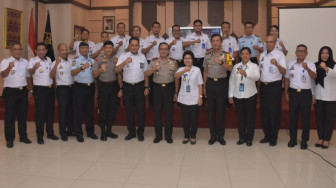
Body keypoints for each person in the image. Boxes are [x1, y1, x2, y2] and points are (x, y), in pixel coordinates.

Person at [115, 37, 149, 141]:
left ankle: (140, 133)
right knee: (129, 110)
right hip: (127, 87)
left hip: (139, 86)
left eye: (136, 45)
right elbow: (117, 70)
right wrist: (125, 62)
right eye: (132, 45)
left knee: (141, 111)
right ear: (129, 46)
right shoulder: (123, 56)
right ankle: (131, 132)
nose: (134, 47)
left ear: (139, 46)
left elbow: (145, 73)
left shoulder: (142, 57)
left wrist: (147, 86)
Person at [145, 42, 179, 144]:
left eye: (166, 49)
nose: (164, 51)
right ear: (159, 50)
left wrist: (176, 92)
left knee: (169, 113)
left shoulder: (173, 62)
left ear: (168, 51)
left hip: (169, 89)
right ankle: (158, 136)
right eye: (162, 49)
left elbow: (176, 78)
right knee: (158, 113)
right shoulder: (153, 62)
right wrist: (154, 69)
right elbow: (146, 74)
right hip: (157, 89)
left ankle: (168, 136)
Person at [0, 42, 32, 148]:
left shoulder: (25, 62)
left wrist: (30, 90)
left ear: (21, 50)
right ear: (11, 50)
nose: (17, 51)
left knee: (22, 116)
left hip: (22, 91)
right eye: (15, 49)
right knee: (10, 117)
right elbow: (3, 75)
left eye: (19, 49)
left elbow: (28, 77)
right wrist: (9, 67)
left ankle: (23, 136)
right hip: (10, 92)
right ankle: (9, 139)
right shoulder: (5, 61)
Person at [285, 44, 316, 150]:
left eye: (303, 51)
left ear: (306, 53)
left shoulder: (311, 64)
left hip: (305, 94)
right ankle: (292, 139)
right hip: (293, 93)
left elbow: (314, 76)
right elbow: (287, 79)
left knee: (305, 119)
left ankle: (304, 141)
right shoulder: (290, 64)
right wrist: (286, 93)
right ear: (295, 53)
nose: (301, 53)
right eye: (299, 51)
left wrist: (307, 68)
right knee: (292, 118)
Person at [203, 34, 232, 145]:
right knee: (211, 112)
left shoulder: (226, 54)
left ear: (221, 43)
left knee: (221, 111)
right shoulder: (207, 55)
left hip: (222, 84)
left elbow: (230, 68)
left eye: (217, 41)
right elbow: (205, 71)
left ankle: (220, 136)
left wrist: (222, 63)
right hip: (210, 84)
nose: (215, 43)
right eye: (213, 41)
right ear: (211, 43)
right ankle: (213, 136)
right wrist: (205, 87)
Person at [28, 42, 59, 144]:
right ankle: (39, 136)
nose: (41, 51)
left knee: (50, 112)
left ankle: (50, 133)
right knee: (40, 114)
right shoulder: (33, 61)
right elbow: (29, 73)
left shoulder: (49, 60)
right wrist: (34, 68)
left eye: (43, 50)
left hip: (50, 89)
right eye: (39, 50)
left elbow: (51, 75)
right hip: (40, 90)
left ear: (46, 51)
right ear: (36, 51)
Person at [229, 47, 260, 146]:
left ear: (250, 55)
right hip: (238, 95)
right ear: (240, 55)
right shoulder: (236, 66)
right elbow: (232, 81)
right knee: (240, 117)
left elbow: (257, 77)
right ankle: (242, 137)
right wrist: (230, 95)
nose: (245, 56)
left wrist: (246, 74)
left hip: (250, 94)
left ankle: (249, 138)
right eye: (243, 54)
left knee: (250, 118)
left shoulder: (254, 66)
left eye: (247, 54)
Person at [259, 35, 286, 146]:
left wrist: (277, 64)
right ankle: (267, 135)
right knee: (264, 112)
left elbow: (284, 72)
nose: (269, 44)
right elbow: (261, 71)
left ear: (275, 43)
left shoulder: (280, 55)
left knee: (274, 112)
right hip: (264, 87)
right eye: (267, 42)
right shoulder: (262, 54)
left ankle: (274, 137)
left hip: (274, 86)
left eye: (271, 42)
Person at [92, 41, 120, 141]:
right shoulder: (98, 60)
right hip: (103, 87)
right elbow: (94, 75)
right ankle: (103, 132)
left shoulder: (116, 60)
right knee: (103, 110)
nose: (108, 49)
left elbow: (119, 74)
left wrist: (120, 88)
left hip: (113, 87)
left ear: (112, 49)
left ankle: (109, 130)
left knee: (112, 110)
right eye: (106, 48)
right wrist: (100, 70)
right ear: (104, 49)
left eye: (110, 48)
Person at [71, 41, 98, 142]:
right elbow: (72, 73)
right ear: (79, 49)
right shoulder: (75, 60)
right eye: (82, 48)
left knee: (89, 110)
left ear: (88, 50)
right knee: (78, 111)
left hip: (90, 87)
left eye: (86, 48)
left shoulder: (92, 61)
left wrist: (96, 89)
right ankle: (78, 133)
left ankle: (90, 131)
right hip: (79, 88)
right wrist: (82, 67)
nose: (84, 50)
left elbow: (95, 76)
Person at [174, 51, 203, 145]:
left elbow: (200, 85)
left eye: (189, 58)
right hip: (183, 97)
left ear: (192, 60)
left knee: (194, 119)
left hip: (194, 98)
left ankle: (193, 136)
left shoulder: (197, 70)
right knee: (185, 119)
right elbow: (176, 77)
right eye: (185, 58)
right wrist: (184, 71)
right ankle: (186, 135)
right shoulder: (181, 69)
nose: (187, 60)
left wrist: (200, 97)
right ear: (183, 60)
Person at [49, 43, 74, 141]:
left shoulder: (72, 61)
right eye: (62, 50)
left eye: (66, 49)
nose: (65, 52)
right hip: (62, 89)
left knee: (71, 111)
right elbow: (51, 76)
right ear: (58, 51)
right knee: (63, 111)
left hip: (72, 88)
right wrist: (56, 64)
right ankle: (62, 132)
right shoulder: (55, 62)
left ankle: (70, 130)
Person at [313, 46, 336, 149]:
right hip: (318, 96)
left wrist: (326, 68)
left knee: (329, 119)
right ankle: (320, 138)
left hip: (330, 97)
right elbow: (313, 81)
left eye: (327, 53)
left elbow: (335, 75)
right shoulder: (316, 65)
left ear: (330, 54)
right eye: (322, 53)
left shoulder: (334, 65)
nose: (325, 55)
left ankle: (327, 139)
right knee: (319, 118)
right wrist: (313, 94)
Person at [142, 22, 166, 107]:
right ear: (152, 29)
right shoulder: (148, 39)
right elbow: (143, 51)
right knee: (151, 84)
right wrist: (152, 45)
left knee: (160, 83)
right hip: (151, 63)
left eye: (158, 27)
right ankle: (152, 104)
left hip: (161, 63)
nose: (156, 29)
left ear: (160, 29)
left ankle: (161, 103)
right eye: (154, 27)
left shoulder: (163, 40)